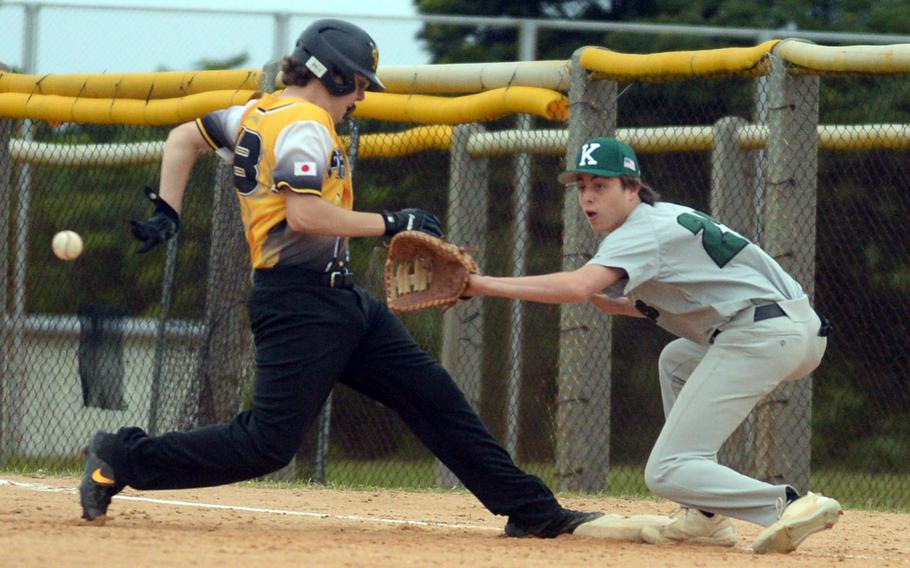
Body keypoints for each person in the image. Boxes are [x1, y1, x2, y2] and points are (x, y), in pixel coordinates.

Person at [79, 18, 603, 538]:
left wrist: (169, 211)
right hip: (298, 304)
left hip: (339, 300)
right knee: (266, 444)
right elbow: (304, 216)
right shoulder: (304, 127)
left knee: (432, 396)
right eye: (356, 84)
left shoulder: (258, 112)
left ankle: (532, 510)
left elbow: (181, 139)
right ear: (330, 76)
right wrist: (393, 223)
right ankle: (122, 455)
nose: (360, 97)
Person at [464, 136, 842, 553]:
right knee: (677, 360)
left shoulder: (639, 230)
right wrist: (627, 305)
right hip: (793, 329)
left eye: (601, 186)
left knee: (666, 470)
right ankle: (706, 518)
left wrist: (477, 284)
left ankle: (788, 503)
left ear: (632, 188)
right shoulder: (664, 217)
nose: (588, 198)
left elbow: (575, 286)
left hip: (763, 334)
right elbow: (696, 293)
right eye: (582, 187)